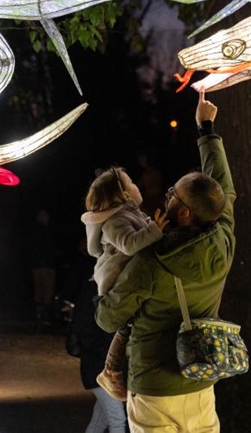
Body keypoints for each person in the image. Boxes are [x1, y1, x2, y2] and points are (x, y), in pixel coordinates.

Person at [96, 89, 235, 432]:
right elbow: (223, 189)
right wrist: (207, 129)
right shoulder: (224, 239)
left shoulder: (152, 260)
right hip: (200, 381)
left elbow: (107, 318)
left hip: (154, 389)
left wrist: (104, 283)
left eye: (173, 194)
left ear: (184, 213)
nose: (168, 195)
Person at [81, 165, 167, 399]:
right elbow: (130, 244)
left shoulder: (130, 213)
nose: (137, 185)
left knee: (127, 327)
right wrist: (154, 230)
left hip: (127, 279)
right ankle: (111, 370)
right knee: (125, 326)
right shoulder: (115, 221)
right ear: (124, 194)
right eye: (132, 183)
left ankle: (113, 370)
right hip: (116, 281)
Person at [71, 275, 128, 433]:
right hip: (99, 366)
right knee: (117, 420)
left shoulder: (96, 290)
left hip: (98, 366)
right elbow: (87, 333)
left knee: (100, 421)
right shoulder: (94, 292)